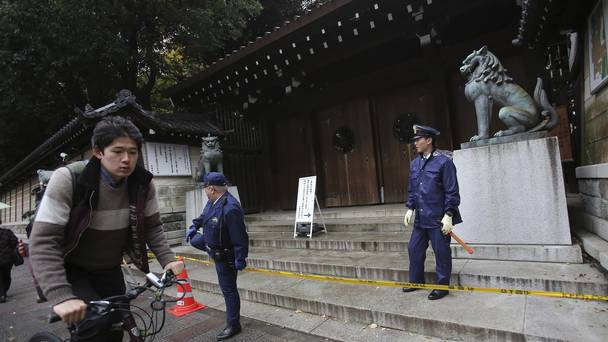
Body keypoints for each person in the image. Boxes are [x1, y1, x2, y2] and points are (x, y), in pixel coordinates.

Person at [29, 116, 183, 341]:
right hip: (72, 268)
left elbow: (152, 226)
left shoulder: (142, 183)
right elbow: (44, 241)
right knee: (96, 325)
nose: (126, 159)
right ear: (98, 152)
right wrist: (62, 296)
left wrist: (167, 259)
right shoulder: (70, 179)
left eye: (132, 152)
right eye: (117, 151)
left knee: (117, 328)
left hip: (109, 268)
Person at [402, 124, 462, 300]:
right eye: (414, 140)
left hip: (438, 218)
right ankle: (416, 281)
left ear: (429, 140)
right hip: (421, 218)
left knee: (441, 252)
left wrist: (449, 214)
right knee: (414, 249)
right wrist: (410, 208)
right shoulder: (415, 164)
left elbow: (452, 191)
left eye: (418, 140)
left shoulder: (444, 162)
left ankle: (442, 286)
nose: (415, 143)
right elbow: (413, 189)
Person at [186, 172, 249, 341]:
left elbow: (240, 236)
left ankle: (234, 324)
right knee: (194, 239)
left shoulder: (230, 208)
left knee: (228, 290)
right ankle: (208, 246)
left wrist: (240, 257)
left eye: (205, 188)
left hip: (225, 256)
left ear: (211, 188)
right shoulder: (213, 201)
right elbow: (204, 217)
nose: (205, 191)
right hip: (212, 247)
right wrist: (194, 225)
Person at [0, 220, 19, 303]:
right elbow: (14, 241)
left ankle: (2, 294)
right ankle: (4, 291)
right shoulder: (7, 232)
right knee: (7, 275)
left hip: (6, 258)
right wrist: (8, 249)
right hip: (7, 259)